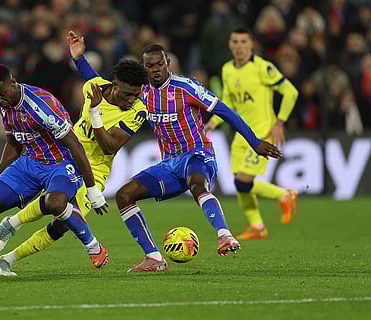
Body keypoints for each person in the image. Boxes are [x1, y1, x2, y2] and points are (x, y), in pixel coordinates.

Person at [73, 42, 283, 272]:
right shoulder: (140, 92)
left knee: (197, 184)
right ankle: (154, 258)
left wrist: (254, 141)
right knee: (124, 195)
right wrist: (79, 58)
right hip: (169, 165)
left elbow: (223, 110)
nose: (155, 69)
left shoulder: (186, 88)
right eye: (149, 65)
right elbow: (99, 83)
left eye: (159, 64)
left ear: (168, 64)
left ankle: (225, 236)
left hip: (197, 153)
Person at [0, 31, 149, 276]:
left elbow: (109, 146)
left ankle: (8, 256)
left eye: (136, 95)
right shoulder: (94, 88)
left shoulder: (138, 112)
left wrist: (95, 114)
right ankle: (13, 224)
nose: (132, 100)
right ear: (115, 84)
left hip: (95, 167)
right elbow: (89, 75)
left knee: (62, 223)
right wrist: (78, 57)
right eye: (128, 94)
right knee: (56, 203)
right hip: (65, 156)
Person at [0, 64, 109, 281]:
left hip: (60, 163)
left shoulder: (40, 105)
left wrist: (92, 190)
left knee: (55, 203)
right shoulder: (4, 101)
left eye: (1, 94)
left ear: (13, 83)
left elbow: (75, 145)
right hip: (30, 162)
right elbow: (14, 144)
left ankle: (93, 246)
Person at [205, 27, 299, 240]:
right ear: (230, 45)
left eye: (243, 42)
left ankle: (285, 195)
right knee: (240, 184)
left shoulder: (262, 68)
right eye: (235, 42)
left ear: (251, 44)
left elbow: (291, 92)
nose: (239, 46)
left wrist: (280, 122)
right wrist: (212, 123)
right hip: (242, 134)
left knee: (243, 181)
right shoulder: (227, 69)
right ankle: (257, 227)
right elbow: (227, 103)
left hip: (262, 133)